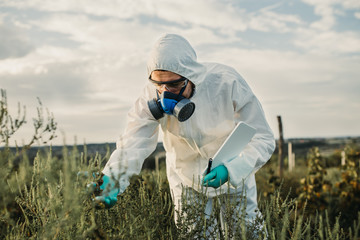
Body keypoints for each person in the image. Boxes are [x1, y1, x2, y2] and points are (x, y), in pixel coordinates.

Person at [96, 33, 275, 231]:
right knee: (194, 234)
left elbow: (263, 138)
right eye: (159, 85)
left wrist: (232, 170)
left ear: (192, 76)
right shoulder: (149, 95)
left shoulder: (226, 82)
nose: (165, 93)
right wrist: (112, 179)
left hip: (234, 172)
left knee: (246, 232)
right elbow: (133, 142)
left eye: (174, 84)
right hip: (185, 177)